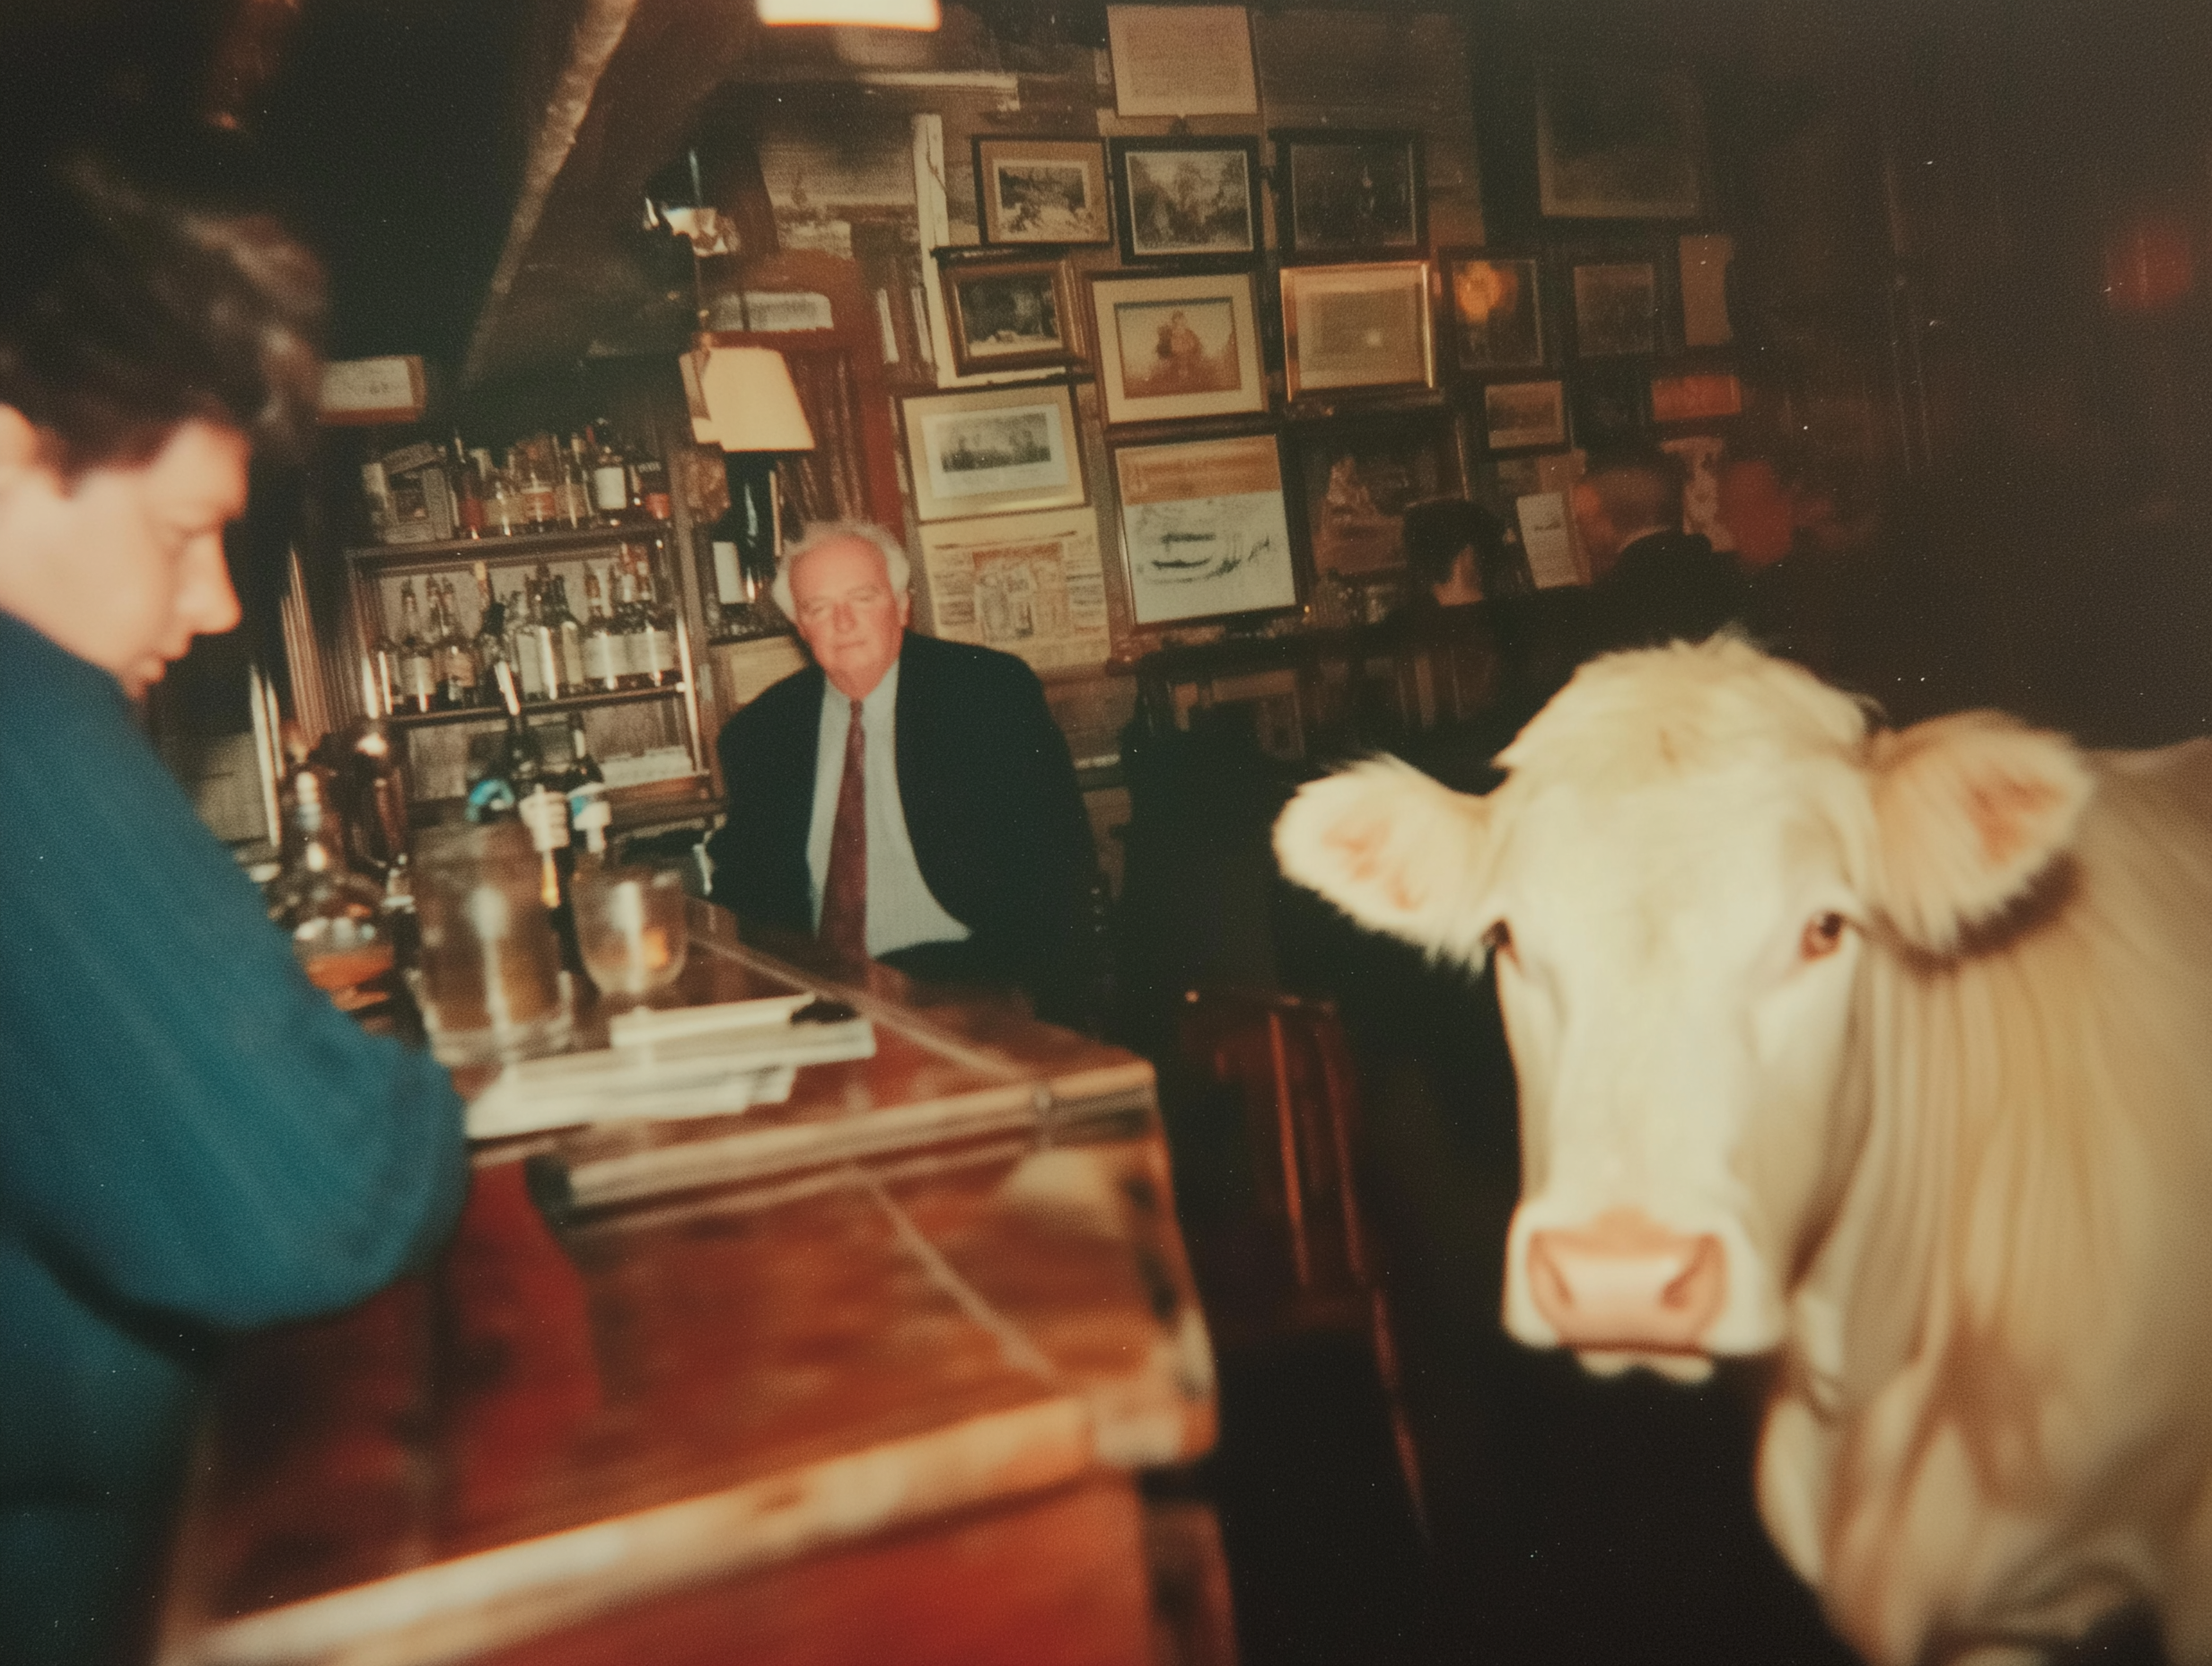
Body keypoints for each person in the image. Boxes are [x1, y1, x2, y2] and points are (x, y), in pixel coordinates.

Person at [0, 153, 469, 1664]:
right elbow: (313, 1196)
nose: (211, 605)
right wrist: (422, 1103)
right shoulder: (23, 713)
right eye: (179, 530)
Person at [707, 522, 1096, 1023]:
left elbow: (1059, 865)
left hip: (969, 981)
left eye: (862, 597)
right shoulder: (763, 732)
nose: (842, 622)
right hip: (823, 996)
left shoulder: (986, 694)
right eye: (818, 608)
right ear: (800, 628)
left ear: (902, 605)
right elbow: (746, 888)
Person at [1572, 446, 1750, 653]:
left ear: (1606, 517)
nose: (1580, 530)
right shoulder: (1728, 572)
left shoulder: (1606, 602)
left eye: (1582, 519)